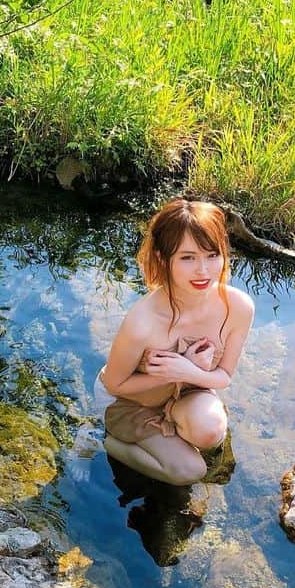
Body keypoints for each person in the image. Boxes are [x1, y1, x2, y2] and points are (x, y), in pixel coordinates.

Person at [99, 198, 254, 486]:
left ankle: (177, 418)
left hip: (185, 390)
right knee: (189, 472)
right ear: (162, 258)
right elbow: (114, 385)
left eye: (212, 255)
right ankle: (108, 444)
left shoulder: (239, 307)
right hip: (132, 403)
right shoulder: (142, 321)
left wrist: (188, 372)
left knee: (211, 433)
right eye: (187, 258)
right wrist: (171, 375)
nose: (203, 271)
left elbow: (224, 376)